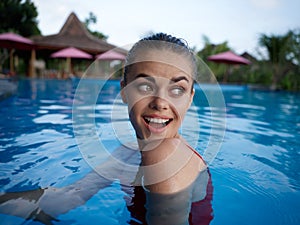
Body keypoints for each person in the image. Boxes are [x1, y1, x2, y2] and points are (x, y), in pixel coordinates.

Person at [0, 33, 213, 225]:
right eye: (146, 86)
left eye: (177, 89)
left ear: (190, 98)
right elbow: (68, 197)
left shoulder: (167, 156)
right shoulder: (127, 153)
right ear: (124, 92)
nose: (160, 102)